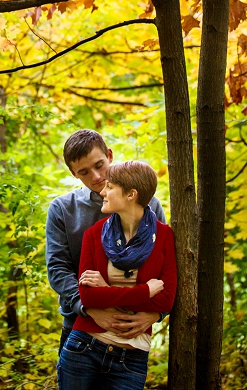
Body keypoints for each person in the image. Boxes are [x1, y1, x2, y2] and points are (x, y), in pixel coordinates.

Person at [57, 160, 177, 388]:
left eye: (110, 187)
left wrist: (105, 289)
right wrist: (145, 292)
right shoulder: (93, 235)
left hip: (131, 359)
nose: (103, 191)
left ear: (131, 194)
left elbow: (166, 299)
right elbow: (89, 297)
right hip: (84, 347)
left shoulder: (164, 236)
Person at [46, 130, 167, 353]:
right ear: (73, 174)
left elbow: (163, 266)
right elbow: (57, 269)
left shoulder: (147, 205)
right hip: (79, 327)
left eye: (99, 165)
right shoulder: (63, 209)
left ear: (110, 155)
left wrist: (155, 314)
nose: (96, 177)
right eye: (84, 172)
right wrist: (88, 308)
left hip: (131, 331)